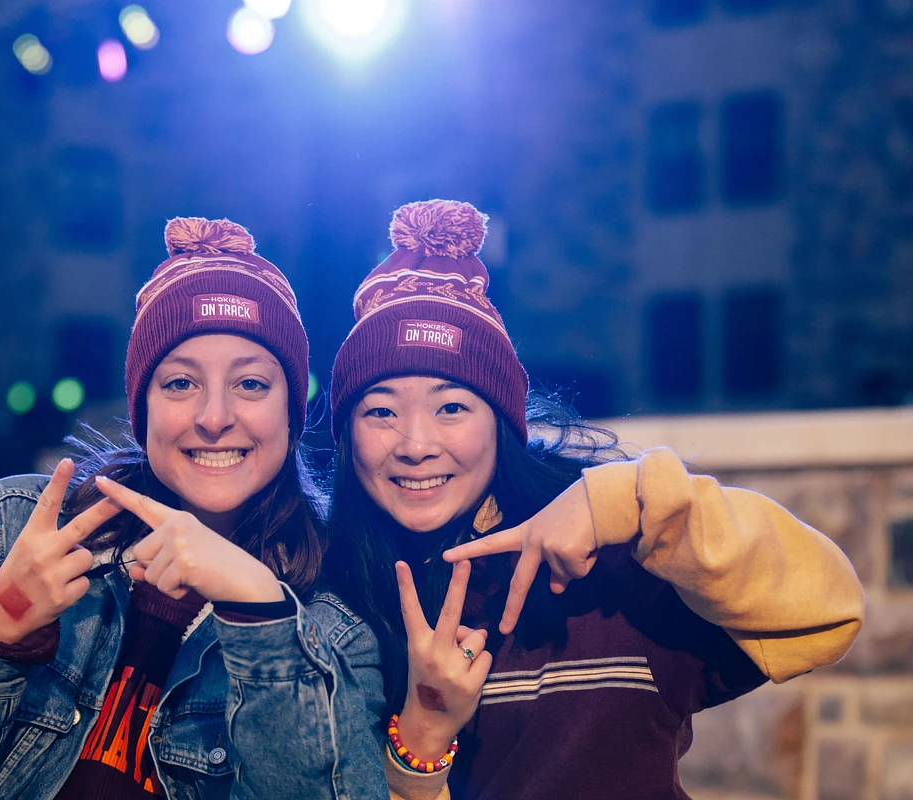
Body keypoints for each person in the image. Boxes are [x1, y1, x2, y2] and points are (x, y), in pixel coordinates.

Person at [320, 199, 866, 799]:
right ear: (347, 437)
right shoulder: (327, 611)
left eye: (452, 406)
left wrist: (623, 503)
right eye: (380, 411)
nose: (416, 444)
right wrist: (421, 740)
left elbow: (827, 611)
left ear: (502, 425)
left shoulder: (607, 578)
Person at [0, 218, 392, 799]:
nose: (213, 417)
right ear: (143, 411)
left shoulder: (334, 614)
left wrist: (260, 613)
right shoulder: (10, 528)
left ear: (290, 412)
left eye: (252, 385)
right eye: (180, 384)